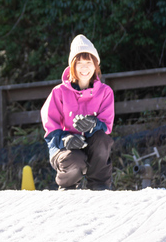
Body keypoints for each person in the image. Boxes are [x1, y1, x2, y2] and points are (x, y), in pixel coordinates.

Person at [41, 34, 115, 190]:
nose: (84, 68)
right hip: (65, 150)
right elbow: (50, 129)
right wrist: (64, 140)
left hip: (92, 145)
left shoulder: (105, 92)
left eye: (88, 62)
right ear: (72, 66)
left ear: (95, 65)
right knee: (74, 159)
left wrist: (93, 124)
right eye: (79, 63)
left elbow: (107, 126)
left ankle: (100, 186)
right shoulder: (58, 92)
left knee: (102, 139)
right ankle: (68, 190)